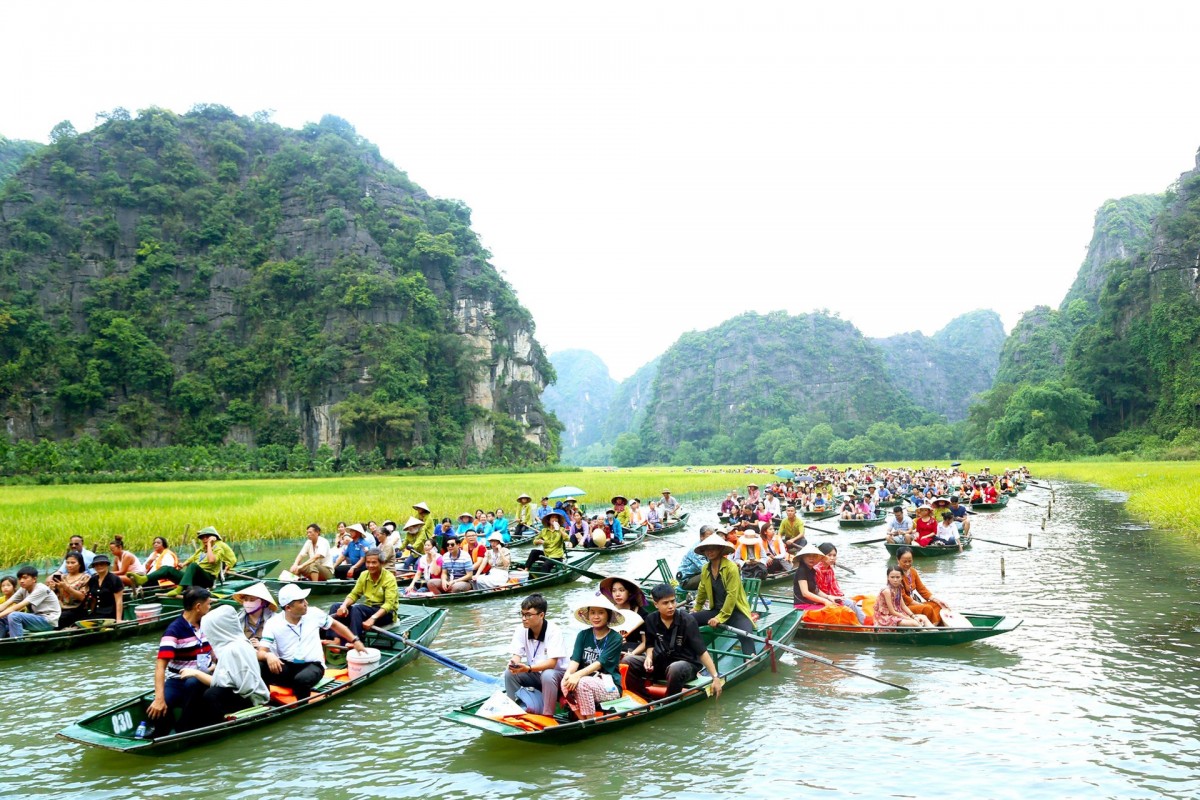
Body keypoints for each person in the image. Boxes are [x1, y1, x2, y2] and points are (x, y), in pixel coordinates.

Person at [259, 584, 364, 701]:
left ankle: (301, 706)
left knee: (301, 680)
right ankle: (267, 702)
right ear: (288, 608)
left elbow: (335, 625)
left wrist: (355, 640)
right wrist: (268, 656)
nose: (306, 603)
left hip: (313, 665)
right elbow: (261, 652)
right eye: (301, 601)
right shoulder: (273, 623)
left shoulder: (314, 613)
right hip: (288, 666)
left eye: (305, 600)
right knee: (261, 666)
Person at [176, 604, 270, 732]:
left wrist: (196, 673)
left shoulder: (233, 649)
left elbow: (222, 683)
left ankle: (207, 728)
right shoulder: (234, 644)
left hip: (250, 699)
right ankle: (188, 726)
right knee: (194, 685)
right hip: (239, 692)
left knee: (212, 694)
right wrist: (213, 668)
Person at [621, 584, 723, 699]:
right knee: (627, 661)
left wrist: (715, 677)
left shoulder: (687, 620)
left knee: (675, 668)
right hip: (661, 662)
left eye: (673, 601)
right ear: (656, 604)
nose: (671, 606)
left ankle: (669, 701)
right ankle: (642, 699)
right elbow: (649, 644)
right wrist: (649, 657)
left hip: (686, 666)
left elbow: (702, 652)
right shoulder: (651, 619)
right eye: (665, 603)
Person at [146, 587, 214, 732]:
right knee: (161, 705)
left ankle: (184, 727)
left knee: (193, 683)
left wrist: (215, 667)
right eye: (208, 604)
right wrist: (159, 698)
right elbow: (160, 667)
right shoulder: (174, 631)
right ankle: (160, 735)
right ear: (198, 607)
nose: (210, 607)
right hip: (177, 680)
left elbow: (216, 653)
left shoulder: (208, 624)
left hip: (204, 676)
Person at [504, 593, 569, 715]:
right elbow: (516, 655)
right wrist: (513, 664)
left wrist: (528, 669)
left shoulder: (554, 631)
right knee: (509, 673)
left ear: (541, 615)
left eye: (528, 615)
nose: (524, 618)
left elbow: (552, 663)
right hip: (535, 673)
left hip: (558, 676)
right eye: (522, 614)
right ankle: (513, 710)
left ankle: (547, 715)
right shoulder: (521, 629)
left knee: (547, 675)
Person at [561, 596, 625, 719]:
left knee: (584, 682)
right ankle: (582, 720)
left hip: (609, 685)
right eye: (592, 612)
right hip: (584, 680)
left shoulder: (615, 638)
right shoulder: (583, 635)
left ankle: (591, 722)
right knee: (565, 682)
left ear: (608, 615)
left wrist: (578, 675)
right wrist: (568, 675)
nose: (596, 617)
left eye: (601, 612)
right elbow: (575, 660)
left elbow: (600, 663)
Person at [691, 533, 756, 654]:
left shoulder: (731, 567)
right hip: (716, 610)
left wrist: (719, 618)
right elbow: (702, 589)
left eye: (713, 548)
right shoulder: (705, 568)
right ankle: (694, 651)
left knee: (745, 635)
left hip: (736, 611)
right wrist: (697, 608)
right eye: (707, 549)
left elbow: (732, 595)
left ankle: (751, 659)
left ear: (720, 549)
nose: (710, 552)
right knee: (688, 620)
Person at [330, 549, 398, 641]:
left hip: (386, 614)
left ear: (381, 563)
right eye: (368, 562)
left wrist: (373, 618)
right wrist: (343, 606)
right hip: (369, 608)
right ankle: (335, 640)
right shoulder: (363, 575)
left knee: (357, 609)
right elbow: (354, 594)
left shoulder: (389, 578)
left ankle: (356, 641)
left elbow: (388, 605)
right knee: (335, 606)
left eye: (374, 563)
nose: (370, 565)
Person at [153, 528, 237, 591]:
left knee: (195, 566)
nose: (204, 539)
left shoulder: (219, 546)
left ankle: (183, 587)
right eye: (202, 537)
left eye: (207, 537)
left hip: (219, 566)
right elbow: (194, 556)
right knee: (173, 570)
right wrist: (184, 564)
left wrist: (229, 565)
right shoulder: (202, 547)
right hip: (201, 570)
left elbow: (231, 558)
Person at [894, 547, 950, 625]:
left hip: (914, 603)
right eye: (904, 561)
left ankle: (934, 624)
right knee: (927, 608)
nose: (907, 564)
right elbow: (903, 598)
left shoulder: (913, 571)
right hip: (904, 607)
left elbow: (922, 589)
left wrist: (937, 600)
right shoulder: (896, 575)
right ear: (898, 560)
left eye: (910, 561)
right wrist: (920, 604)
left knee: (937, 605)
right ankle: (932, 626)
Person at [0, 566, 61, 638]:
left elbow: (16, 607)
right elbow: (5, 604)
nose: (21, 581)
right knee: (2, 619)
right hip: (34, 618)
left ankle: (17, 643)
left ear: (34, 579)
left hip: (47, 622)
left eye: (25, 578)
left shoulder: (41, 589)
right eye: (19, 579)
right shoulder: (23, 589)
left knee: (14, 615)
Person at [814, 543, 866, 624]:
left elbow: (835, 588)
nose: (832, 558)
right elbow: (816, 590)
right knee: (850, 604)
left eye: (834, 555)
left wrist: (840, 597)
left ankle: (864, 622)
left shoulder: (829, 569)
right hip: (821, 598)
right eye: (829, 555)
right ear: (822, 555)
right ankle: (864, 624)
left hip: (831, 597)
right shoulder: (816, 570)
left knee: (852, 604)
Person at [598, 576, 647, 655]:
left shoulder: (641, 613)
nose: (617, 594)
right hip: (609, 650)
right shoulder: (608, 611)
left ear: (629, 592)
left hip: (633, 652)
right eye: (614, 591)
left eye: (621, 590)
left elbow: (645, 643)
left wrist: (631, 654)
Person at [50, 551, 91, 629]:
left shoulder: (85, 577)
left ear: (80, 564)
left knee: (59, 620)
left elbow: (82, 597)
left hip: (76, 610)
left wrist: (66, 587)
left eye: (73, 563)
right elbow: (54, 595)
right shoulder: (62, 577)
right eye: (67, 563)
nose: (69, 565)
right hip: (59, 609)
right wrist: (52, 588)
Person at [792, 544, 835, 611]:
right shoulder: (801, 570)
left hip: (811, 604)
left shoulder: (812, 570)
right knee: (833, 611)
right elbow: (805, 593)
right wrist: (824, 601)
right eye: (808, 556)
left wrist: (828, 597)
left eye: (814, 556)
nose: (811, 558)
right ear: (803, 557)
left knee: (837, 606)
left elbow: (816, 590)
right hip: (802, 606)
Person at [84, 552, 125, 620]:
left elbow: (119, 601)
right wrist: (90, 611)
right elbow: (93, 599)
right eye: (96, 565)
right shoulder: (93, 580)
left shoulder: (114, 579)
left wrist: (118, 620)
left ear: (107, 565)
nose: (99, 566)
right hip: (97, 612)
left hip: (111, 613)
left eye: (102, 564)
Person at [675, 526, 711, 590]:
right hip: (686, 581)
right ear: (701, 537)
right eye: (709, 537)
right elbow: (706, 569)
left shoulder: (706, 546)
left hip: (695, 575)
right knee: (710, 575)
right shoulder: (697, 549)